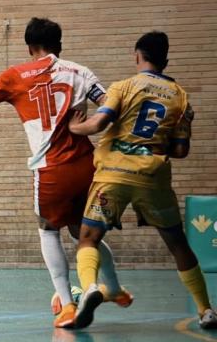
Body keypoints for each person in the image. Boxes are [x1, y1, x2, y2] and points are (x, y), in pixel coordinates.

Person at [0, 17, 130, 328]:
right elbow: (110, 107)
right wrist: (85, 123)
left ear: (29, 47)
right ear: (58, 45)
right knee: (83, 234)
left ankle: (66, 304)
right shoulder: (80, 71)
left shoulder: (15, 75)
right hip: (87, 164)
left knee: (48, 229)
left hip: (52, 168)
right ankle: (114, 289)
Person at [69, 31, 217, 330]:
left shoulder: (123, 87)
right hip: (153, 178)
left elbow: (98, 123)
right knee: (178, 245)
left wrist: (74, 126)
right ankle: (206, 310)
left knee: (88, 238)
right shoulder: (181, 98)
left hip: (113, 174)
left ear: (137, 55)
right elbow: (180, 151)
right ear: (166, 60)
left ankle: (90, 289)